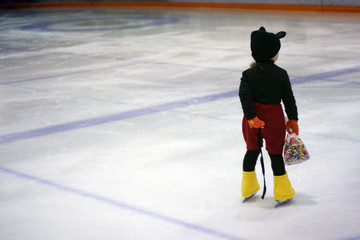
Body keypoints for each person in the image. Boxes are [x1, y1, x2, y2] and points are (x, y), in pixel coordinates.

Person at [239, 26, 298, 204]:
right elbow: (288, 98)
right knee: (275, 154)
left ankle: (248, 186)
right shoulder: (280, 74)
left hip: (253, 120)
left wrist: (251, 117)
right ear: (273, 53)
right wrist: (293, 118)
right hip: (274, 118)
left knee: (252, 151)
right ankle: (283, 190)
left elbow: (245, 96)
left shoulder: (248, 74)